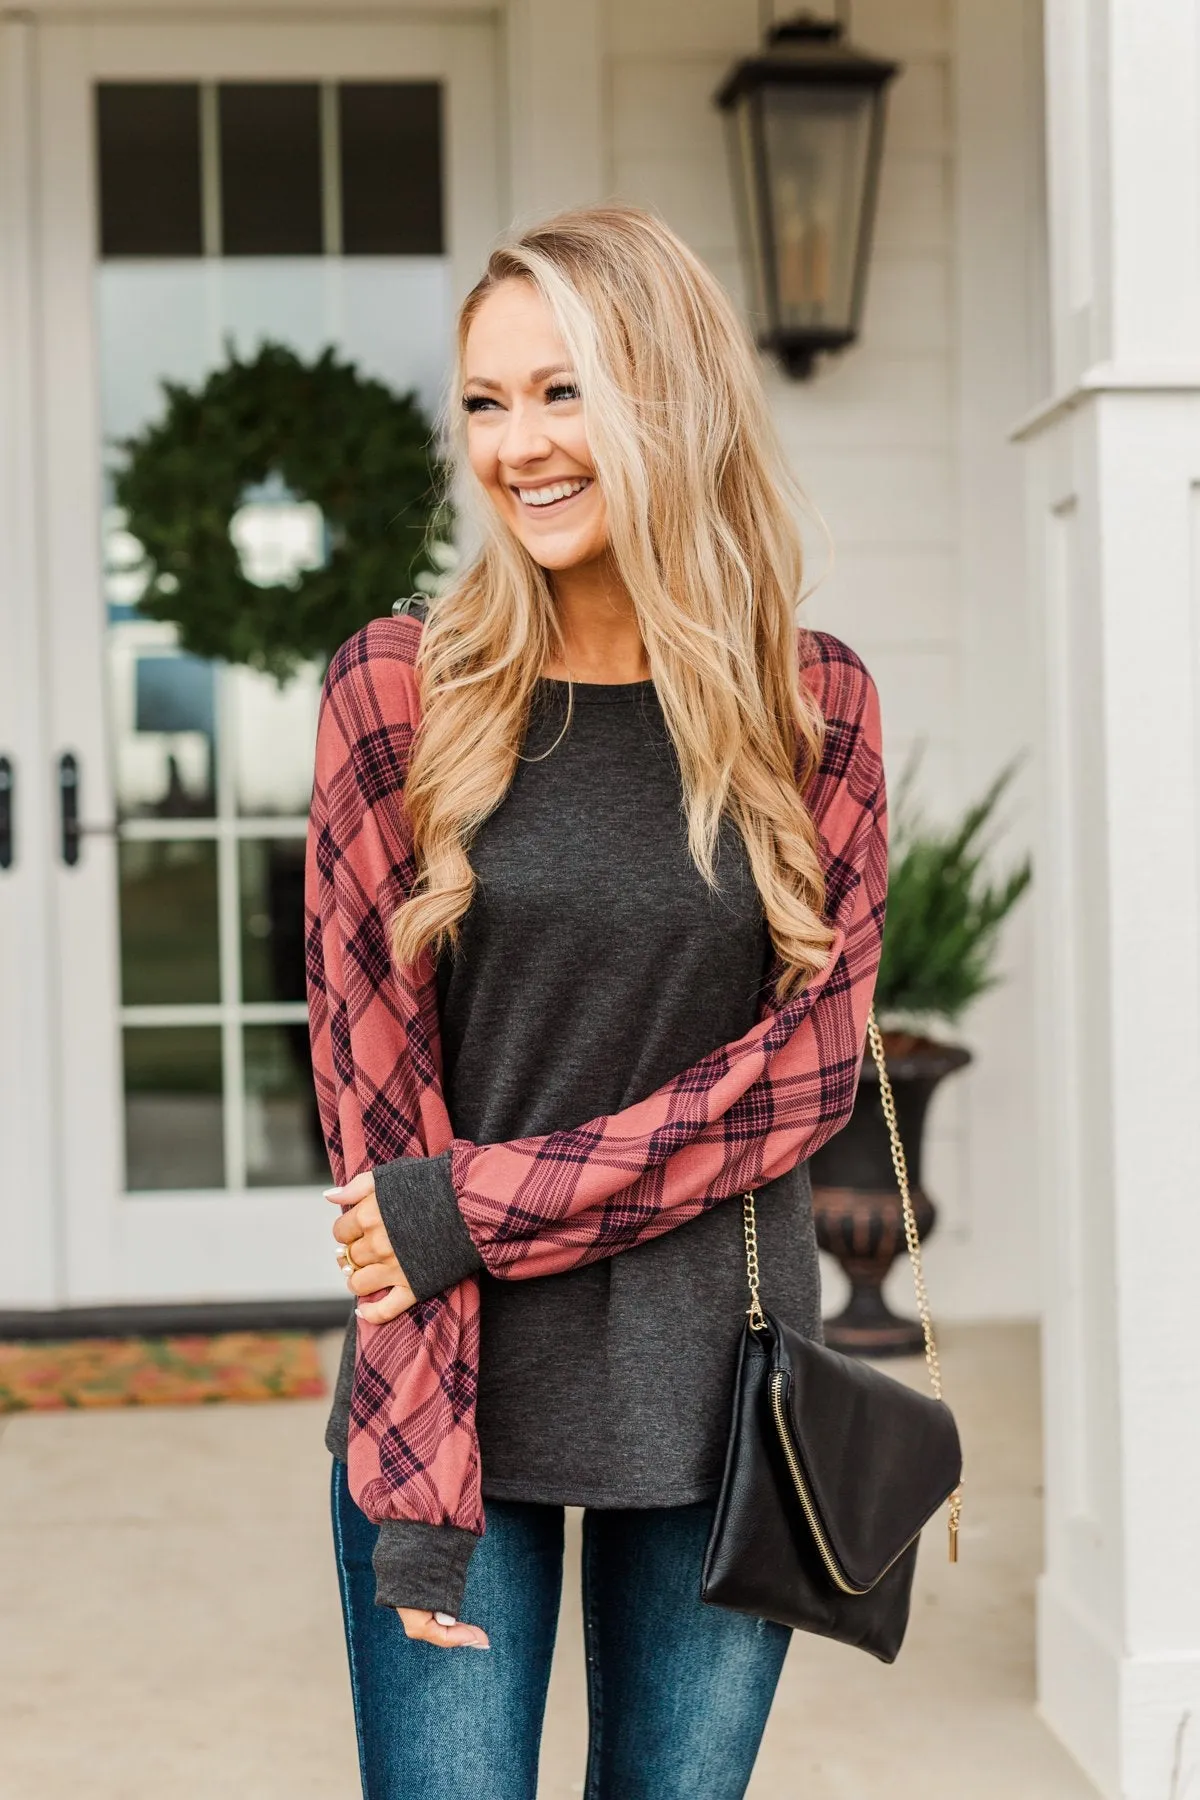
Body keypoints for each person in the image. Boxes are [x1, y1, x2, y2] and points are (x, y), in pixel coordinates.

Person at [305, 204, 887, 1800]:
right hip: (450, 1392)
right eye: (488, 403)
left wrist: (473, 1205)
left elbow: (804, 1075)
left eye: (564, 393)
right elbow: (376, 1109)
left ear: (669, 400)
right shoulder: (394, 689)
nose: (518, 446)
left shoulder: (811, 703)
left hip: (722, 1388)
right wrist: (417, 1463)